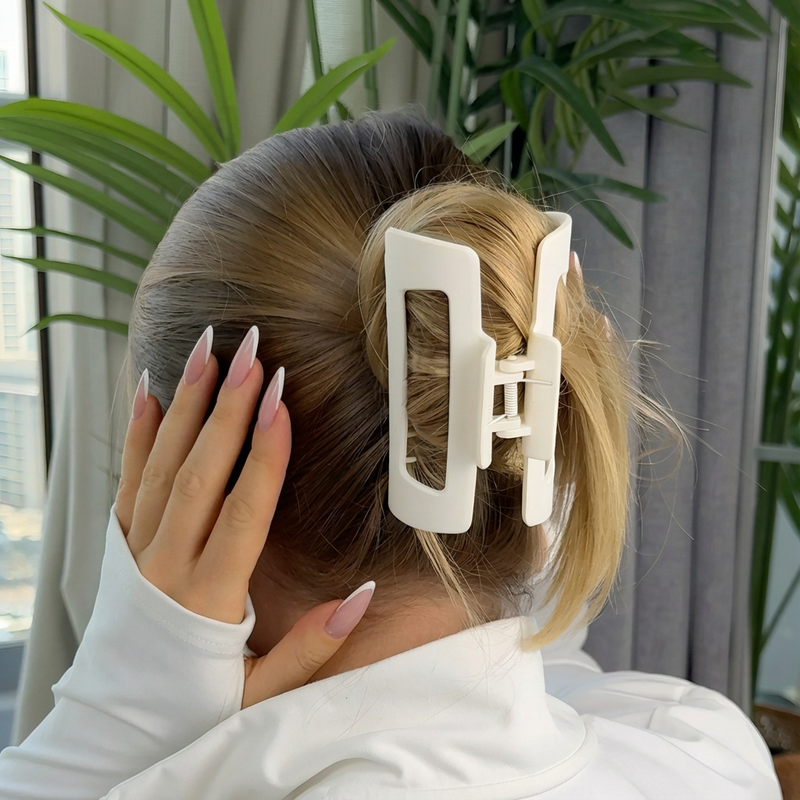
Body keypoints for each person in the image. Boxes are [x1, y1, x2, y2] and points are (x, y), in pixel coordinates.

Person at [0, 110, 781, 799]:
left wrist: (107, 728)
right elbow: (540, 691)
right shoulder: (703, 752)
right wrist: (531, 507)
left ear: (209, 508)